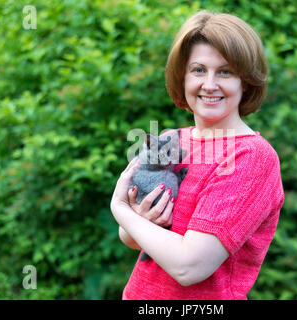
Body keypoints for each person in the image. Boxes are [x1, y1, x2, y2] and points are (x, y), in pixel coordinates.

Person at [110, 10, 285, 300]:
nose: (210, 84)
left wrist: (120, 208)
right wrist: (134, 219)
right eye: (199, 70)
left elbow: (190, 267)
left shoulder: (251, 157)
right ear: (182, 76)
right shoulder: (168, 141)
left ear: (246, 81)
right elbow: (130, 237)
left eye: (225, 71)